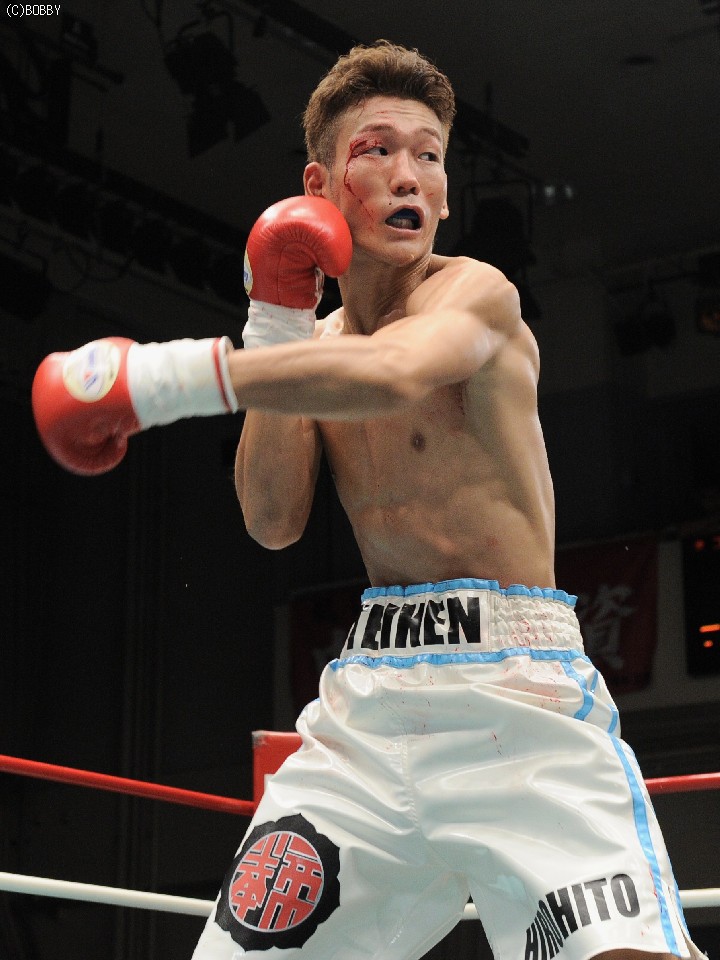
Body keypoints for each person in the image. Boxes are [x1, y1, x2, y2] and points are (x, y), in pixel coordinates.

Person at [31, 41, 704, 960]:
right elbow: (273, 521)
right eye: (378, 150)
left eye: (429, 155)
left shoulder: (478, 294)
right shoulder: (308, 349)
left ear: (446, 192)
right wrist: (273, 320)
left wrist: (157, 380)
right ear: (321, 185)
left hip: (519, 701)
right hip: (371, 711)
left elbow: (391, 373)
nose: (409, 175)